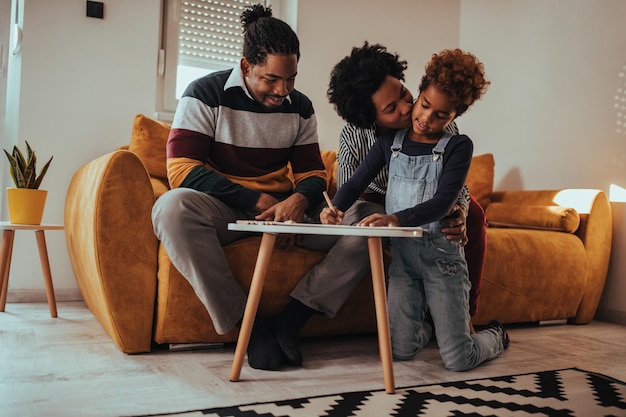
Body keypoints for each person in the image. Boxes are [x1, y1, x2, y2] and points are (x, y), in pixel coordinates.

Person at [152, 4, 377, 371]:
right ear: (245, 67)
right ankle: (250, 327)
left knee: (368, 219)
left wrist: (296, 202)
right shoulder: (205, 93)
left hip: (289, 214)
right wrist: (259, 201)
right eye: (271, 79)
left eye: (290, 79)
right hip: (228, 212)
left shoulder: (300, 108)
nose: (282, 90)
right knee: (171, 208)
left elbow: (313, 173)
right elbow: (181, 170)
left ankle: (292, 320)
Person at [322, 49, 509, 371]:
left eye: (441, 115)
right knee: (398, 351)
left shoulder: (457, 145)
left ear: (454, 116)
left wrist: (395, 219)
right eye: (423, 105)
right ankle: (435, 330)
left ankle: (494, 336)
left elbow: (445, 200)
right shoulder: (384, 141)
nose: (425, 118)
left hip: (442, 261)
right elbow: (353, 182)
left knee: (458, 360)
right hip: (404, 263)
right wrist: (335, 208)